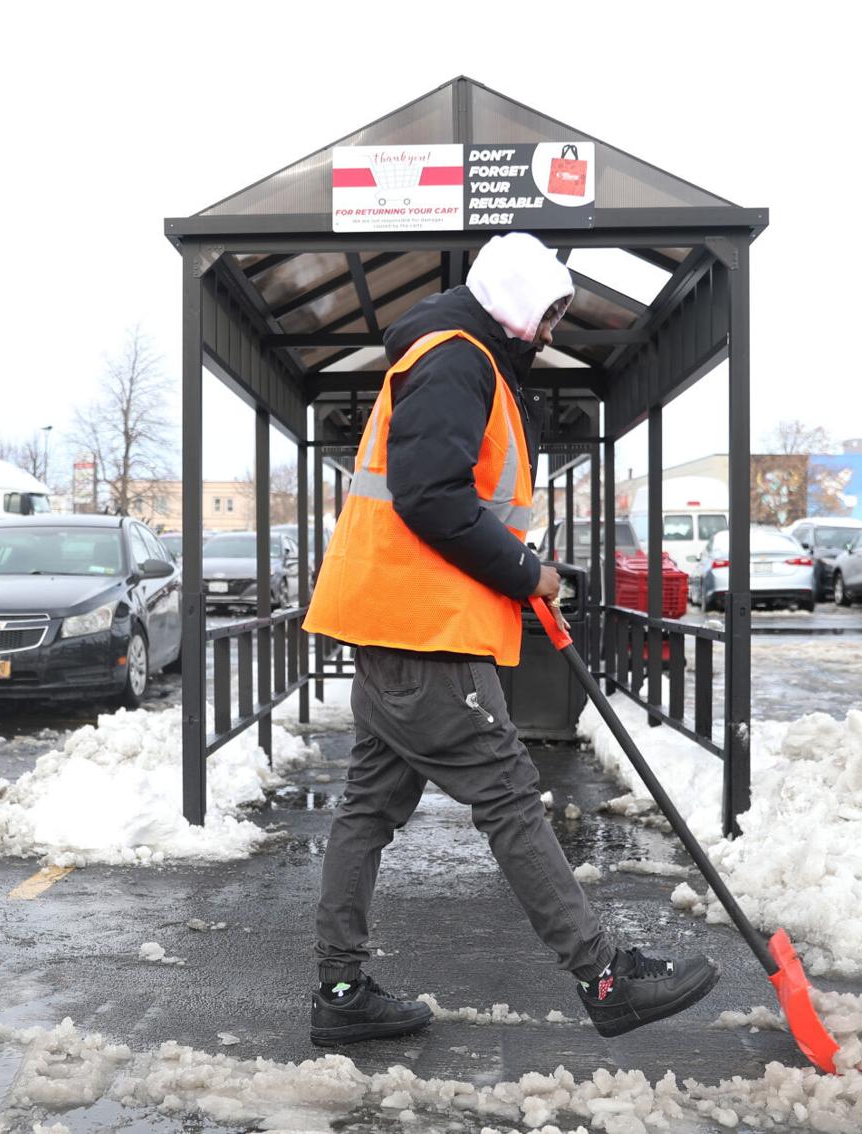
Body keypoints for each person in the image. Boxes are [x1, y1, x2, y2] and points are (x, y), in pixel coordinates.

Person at [302, 232, 719, 1047]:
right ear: (517, 301)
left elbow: (455, 500)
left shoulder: (460, 358)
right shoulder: (457, 359)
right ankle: (604, 976)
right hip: (428, 631)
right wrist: (528, 572)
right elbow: (431, 496)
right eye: (549, 313)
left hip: (397, 624)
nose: (553, 331)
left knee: (368, 808)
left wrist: (525, 569)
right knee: (509, 798)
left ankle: (342, 988)